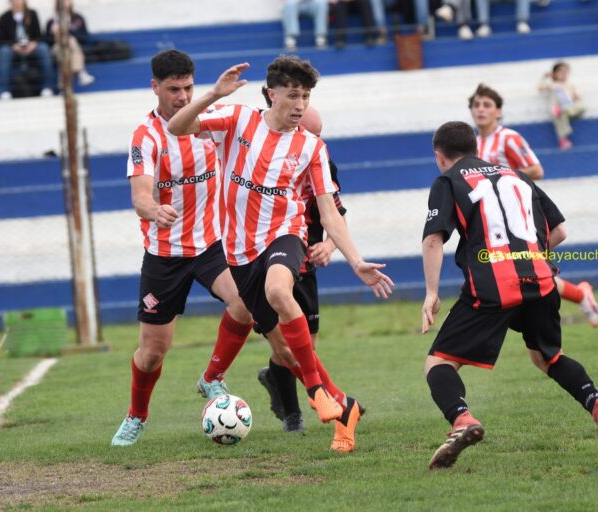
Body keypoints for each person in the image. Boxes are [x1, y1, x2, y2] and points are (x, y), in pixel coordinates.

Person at [168, 56, 394, 452]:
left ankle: (317, 394)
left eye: (305, 96)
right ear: (272, 94)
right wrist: (212, 95)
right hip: (239, 253)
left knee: (278, 291)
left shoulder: (311, 147)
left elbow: (328, 211)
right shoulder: (237, 120)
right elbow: (176, 127)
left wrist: (355, 259)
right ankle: (344, 407)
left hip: (285, 235)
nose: (300, 106)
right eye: (293, 95)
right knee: (285, 350)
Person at [420, 121, 598, 469]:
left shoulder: (447, 179)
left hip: (491, 286)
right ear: (476, 148)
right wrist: (526, 255)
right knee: (549, 357)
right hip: (540, 280)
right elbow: (559, 230)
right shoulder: (517, 175)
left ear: (440, 157)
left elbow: (433, 239)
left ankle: (463, 421)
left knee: (439, 362)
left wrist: (430, 293)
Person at [110, 50, 255, 447]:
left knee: (246, 303)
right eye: (173, 89)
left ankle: (212, 377)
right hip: (164, 254)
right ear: (155, 87)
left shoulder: (207, 125)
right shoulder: (146, 135)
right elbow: (139, 194)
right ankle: (136, 416)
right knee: (153, 352)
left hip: (211, 245)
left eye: (188, 87)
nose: (181, 96)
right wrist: (153, 209)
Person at [468, 83, 598, 327]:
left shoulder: (508, 137)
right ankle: (580, 295)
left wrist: (500, 174)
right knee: (527, 268)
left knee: (527, 266)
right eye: (476, 105)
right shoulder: (474, 144)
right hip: (497, 219)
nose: (480, 109)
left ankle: (574, 300)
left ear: (498, 111)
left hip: (520, 215)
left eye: (487, 105)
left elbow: (537, 170)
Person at [255, 104, 348, 435]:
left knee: (305, 345)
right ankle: (294, 415)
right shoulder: (266, 158)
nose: (316, 141)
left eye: (320, 134)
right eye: (312, 134)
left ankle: (275, 377)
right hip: (266, 256)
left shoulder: (323, 161)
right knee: (285, 345)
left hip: (305, 262)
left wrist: (330, 245)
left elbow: (335, 213)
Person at [0, 0, 56, 100]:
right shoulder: (4, 17)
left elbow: (39, 35)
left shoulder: (32, 14)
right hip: (13, 50)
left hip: (31, 48)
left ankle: (48, 87)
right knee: (4, 52)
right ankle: (4, 91)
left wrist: (33, 44)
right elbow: (0, 40)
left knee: (44, 49)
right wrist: (13, 46)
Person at [45, 0, 96, 87]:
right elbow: (47, 42)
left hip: (74, 48)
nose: (65, 3)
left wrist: (70, 31)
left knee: (70, 42)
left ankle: (63, 80)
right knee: (65, 47)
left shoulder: (78, 18)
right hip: (57, 48)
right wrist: (54, 34)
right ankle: (81, 72)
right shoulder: (51, 21)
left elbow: (84, 37)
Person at [538, 61, 585, 150]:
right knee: (560, 114)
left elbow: (577, 98)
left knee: (581, 105)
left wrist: (575, 97)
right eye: (561, 72)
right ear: (555, 74)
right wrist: (545, 77)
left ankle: (564, 109)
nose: (564, 74)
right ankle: (563, 139)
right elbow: (541, 88)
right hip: (558, 108)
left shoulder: (570, 85)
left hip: (569, 108)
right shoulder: (553, 85)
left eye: (566, 72)